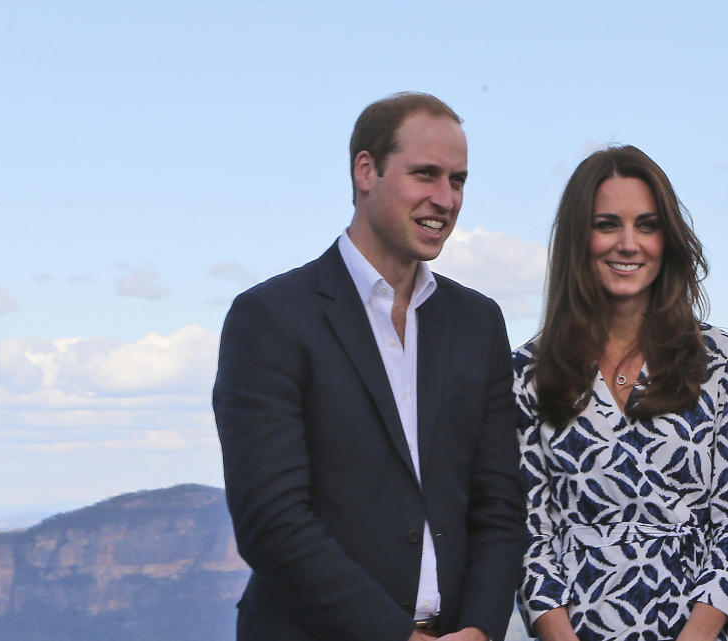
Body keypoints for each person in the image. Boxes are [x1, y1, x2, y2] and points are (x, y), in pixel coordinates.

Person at [212, 92, 524, 641]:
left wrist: (479, 628)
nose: (445, 199)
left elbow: (499, 505)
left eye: (458, 180)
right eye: (425, 174)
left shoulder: (479, 323)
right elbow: (272, 523)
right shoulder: (270, 318)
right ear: (365, 170)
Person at [513, 146, 728, 641]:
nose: (629, 244)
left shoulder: (722, 361)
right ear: (577, 239)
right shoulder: (528, 372)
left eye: (647, 225)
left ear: (667, 239)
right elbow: (529, 536)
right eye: (607, 224)